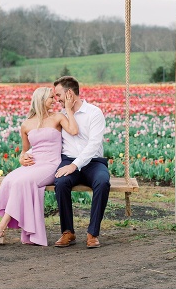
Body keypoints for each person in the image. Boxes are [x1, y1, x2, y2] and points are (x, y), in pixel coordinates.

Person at [20, 75, 110, 249]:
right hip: (68, 160)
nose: (56, 99)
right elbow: (46, 140)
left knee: (103, 182)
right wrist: (25, 154)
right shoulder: (60, 116)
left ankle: (93, 233)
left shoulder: (94, 113)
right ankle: (68, 232)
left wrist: (75, 165)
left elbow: (94, 144)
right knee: (60, 183)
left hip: (92, 162)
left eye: (58, 95)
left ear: (70, 93)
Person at [0, 86, 78, 246]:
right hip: (34, 164)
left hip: (50, 164)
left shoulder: (58, 118)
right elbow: (25, 151)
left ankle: (0, 229)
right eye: (51, 98)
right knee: (9, 180)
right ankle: (2, 230)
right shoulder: (26, 124)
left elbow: (74, 131)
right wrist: (22, 158)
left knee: (22, 182)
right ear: (41, 100)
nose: (54, 101)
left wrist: (68, 109)